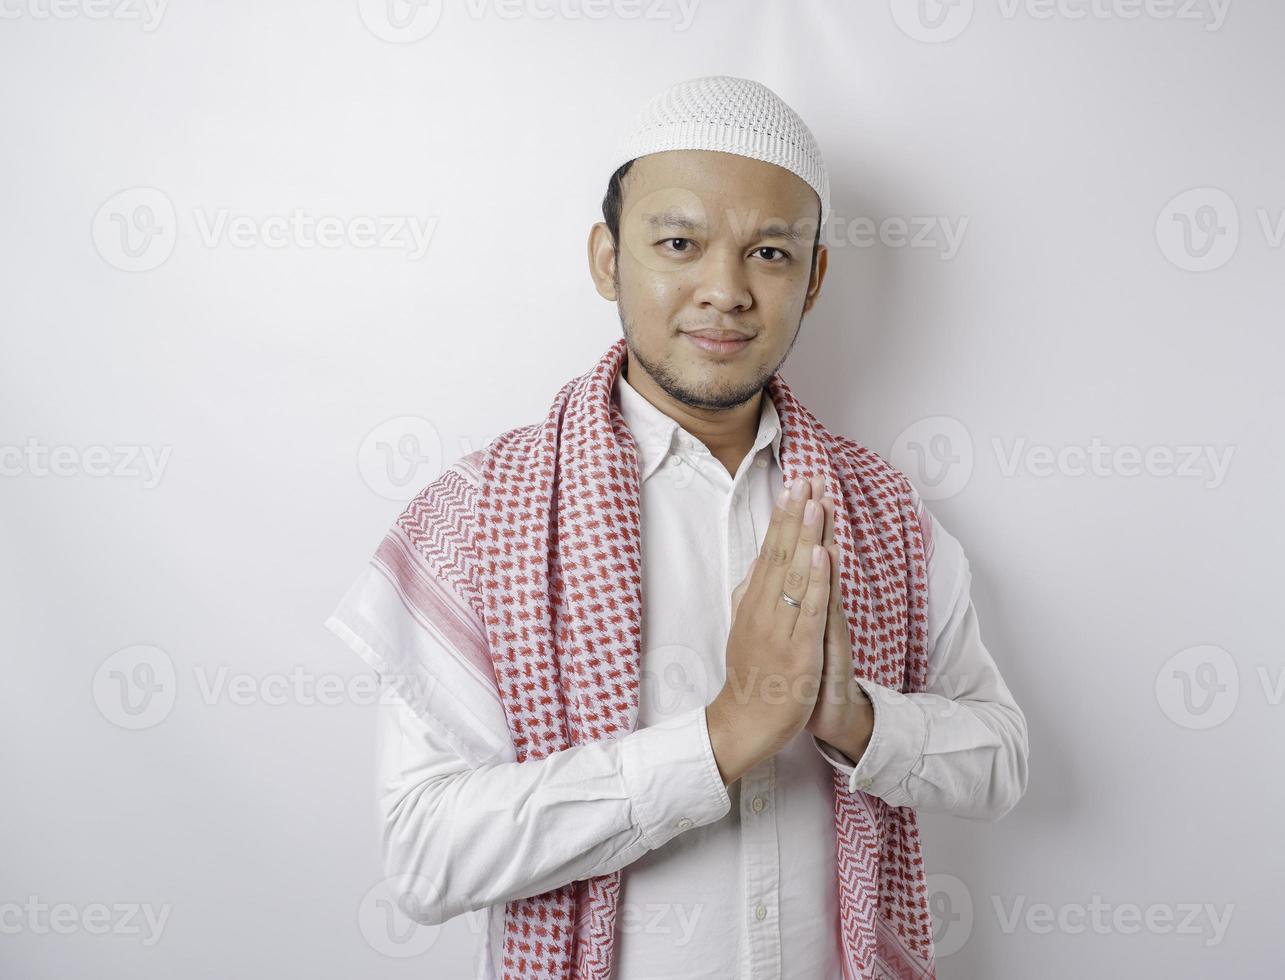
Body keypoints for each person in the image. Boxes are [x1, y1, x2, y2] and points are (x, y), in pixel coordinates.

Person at [325, 74, 1028, 980]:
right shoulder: (479, 514)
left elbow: (1000, 759)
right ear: (609, 259)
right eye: (679, 242)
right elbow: (425, 858)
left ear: (813, 279)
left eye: (769, 253)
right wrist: (726, 733)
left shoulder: (883, 512)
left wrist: (851, 718)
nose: (726, 290)